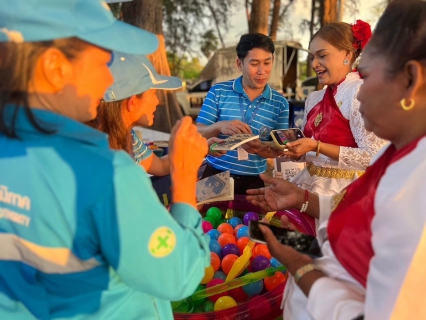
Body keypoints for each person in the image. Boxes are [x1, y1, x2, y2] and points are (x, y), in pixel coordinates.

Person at [0, 1, 210, 319]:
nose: (107, 82)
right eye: (102, 62)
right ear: (55, 67)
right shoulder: (103, 173)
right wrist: (183, 178)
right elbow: (178, 275)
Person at [246, 1, 426, 319]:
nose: (359, 93)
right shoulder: (398, 154)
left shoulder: (416, 188)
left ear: (410, 80)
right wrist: (305, 200)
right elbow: (365, 217)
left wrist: (301, 267)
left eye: (366, 76)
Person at [283, 20, 387, 196]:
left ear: (347, 54)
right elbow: (310, 153)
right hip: (308, 184)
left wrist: (317, 146)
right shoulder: (315, 98)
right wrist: (290, 150)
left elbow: (375, 156)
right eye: (312, 57)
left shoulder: (360, 92)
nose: (314, 64)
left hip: (345, 193)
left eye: (322, 56)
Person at [88, 52, 223, 176]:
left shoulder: (128, 137)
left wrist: (201, 148)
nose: (158, 101)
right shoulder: (97, 152)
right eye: (153, 94)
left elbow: (161, 165)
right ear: (133, 102)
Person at [196, 33, 289, 195]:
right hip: (214, 175)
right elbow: (198, 132)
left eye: (267, 63)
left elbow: (279, 151)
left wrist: (260, 148)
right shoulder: (218, 91)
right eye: (254, 64)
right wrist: (219, 126)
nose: (262, 71)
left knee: (249, 221)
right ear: (239, 64)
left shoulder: (280, 103)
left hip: (254, 182)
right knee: (207, 219)